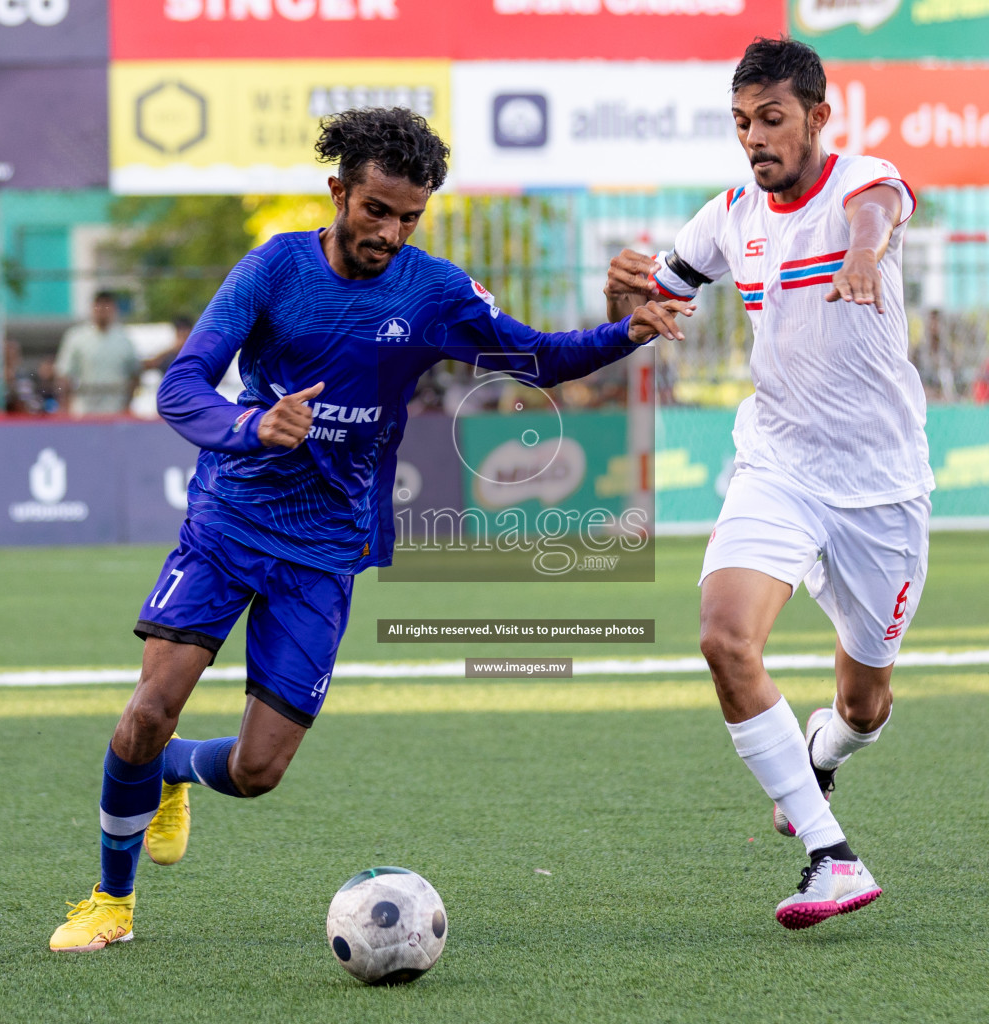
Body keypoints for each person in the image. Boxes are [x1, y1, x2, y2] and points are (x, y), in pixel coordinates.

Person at [46, 107, 690, 953]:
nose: (389, 231)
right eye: (375, 210)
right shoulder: (274, 268)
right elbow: (183, 387)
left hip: (326, 547)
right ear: (338, 191)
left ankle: (172, 773)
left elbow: (533, 357)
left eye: (408, 216)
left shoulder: (432, 290)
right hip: (231, 519)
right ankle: (109, 902)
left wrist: (625, 333)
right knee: (148, 710)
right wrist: (250, 428)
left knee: (256, 770)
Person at [605, 37, 930, 930]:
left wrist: (862, 253)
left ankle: (823, 753)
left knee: (863, 704)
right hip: (777, 466)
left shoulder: (863, 182)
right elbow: (650, 307)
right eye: (742, 122)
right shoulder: (726, 217)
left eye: (772, 118)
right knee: (723, 638)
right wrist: (622, 297)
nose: (755, 137)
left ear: (817, 118)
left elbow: (880, 209)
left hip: (881, 489)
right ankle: (832, 856)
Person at [55, 290, 141, 416]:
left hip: (116, 406)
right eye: (99, 305)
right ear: (92, 308)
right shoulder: (77, 337)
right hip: (84, 406)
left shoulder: (124, 339)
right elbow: (64, 375)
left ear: (114, 308)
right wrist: (64, 407)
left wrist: (127, 405)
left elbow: (135, 374)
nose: (102, 310)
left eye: (107, 306)